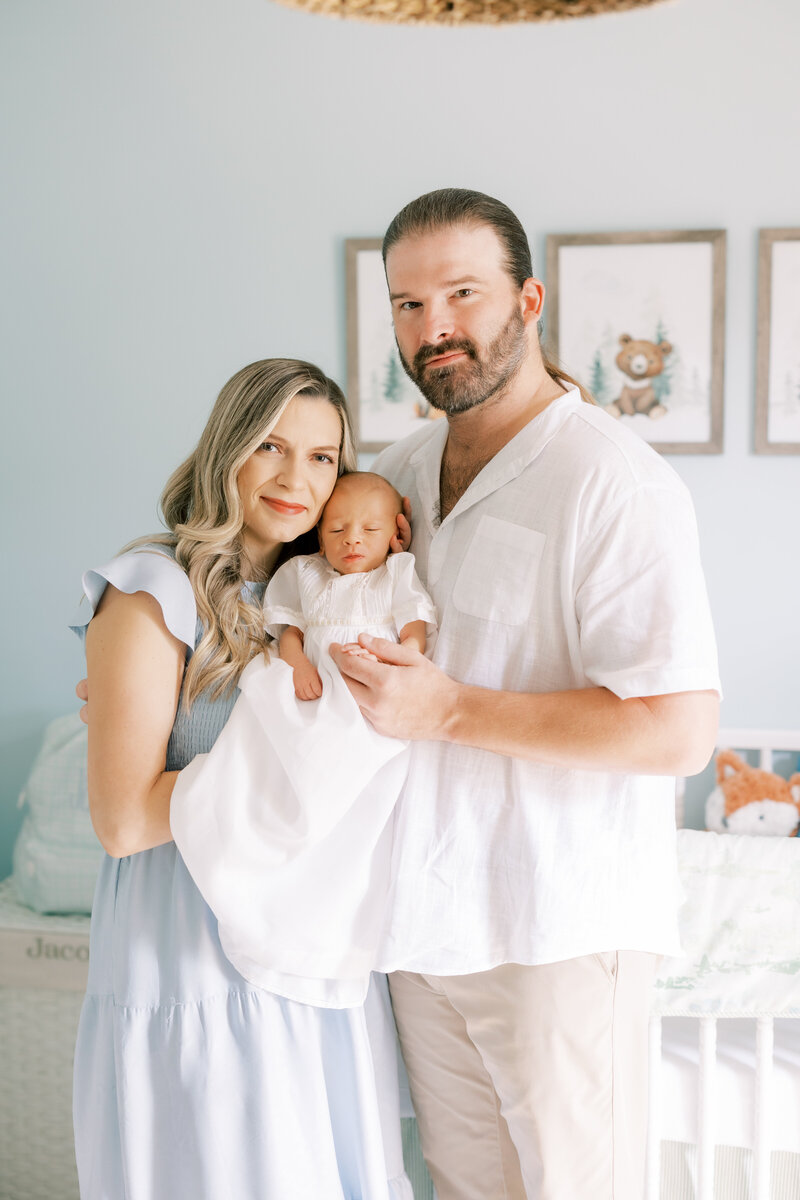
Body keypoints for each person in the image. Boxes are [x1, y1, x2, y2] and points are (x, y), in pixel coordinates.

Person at [328, 189, 722, 1200]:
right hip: (418, 924)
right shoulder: (399, 474)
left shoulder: (612, 482)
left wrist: (452, 710)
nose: (436, 328)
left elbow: (677, 729)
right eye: (408, 306)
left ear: (529, 299)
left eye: (461, 293)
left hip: (555, 930)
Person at [70, 359, 413, 1200]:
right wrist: (284, 769)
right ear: (228, 450)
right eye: (272, 446)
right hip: (189, 945)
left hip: (314, 942)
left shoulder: (332, 595)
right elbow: (120, 820)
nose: (299, 479)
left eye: (324, 458)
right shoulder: (154, 590)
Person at [169, 469, 437, 1009]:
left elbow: (414, 627)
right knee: (270, 750)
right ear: (318, 532)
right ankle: (257, 851)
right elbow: (287, 631)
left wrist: (406, 660)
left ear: (396, 532)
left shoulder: (396, 573)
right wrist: (294, 665)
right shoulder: (303, 573)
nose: (352, 540)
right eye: (337, 529)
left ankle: (324, 919)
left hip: (366, 697)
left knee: (350, 807)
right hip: (311, 689)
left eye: (368, 529)